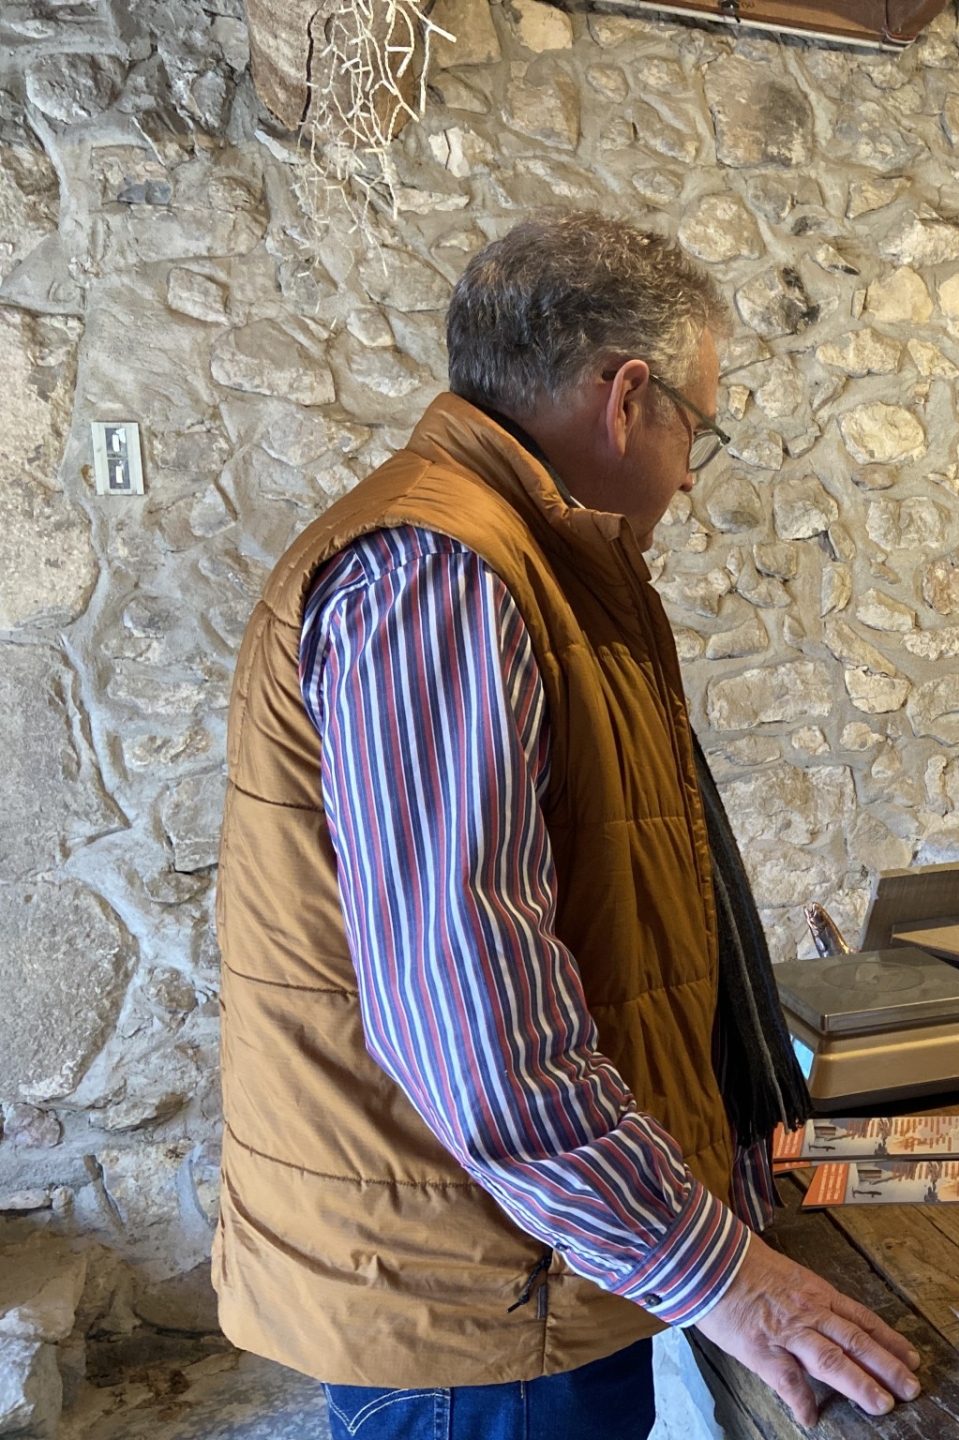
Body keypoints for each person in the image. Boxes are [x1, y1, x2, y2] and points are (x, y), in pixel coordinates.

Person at [213, 212, 920, 1438]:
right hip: (472, 1307)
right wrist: (727, 1279)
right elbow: (475, 1025)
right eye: (700, 426)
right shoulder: (443, 574)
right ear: (628, 397)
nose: (694, 472)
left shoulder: (527, 561)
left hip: (519, 1271)